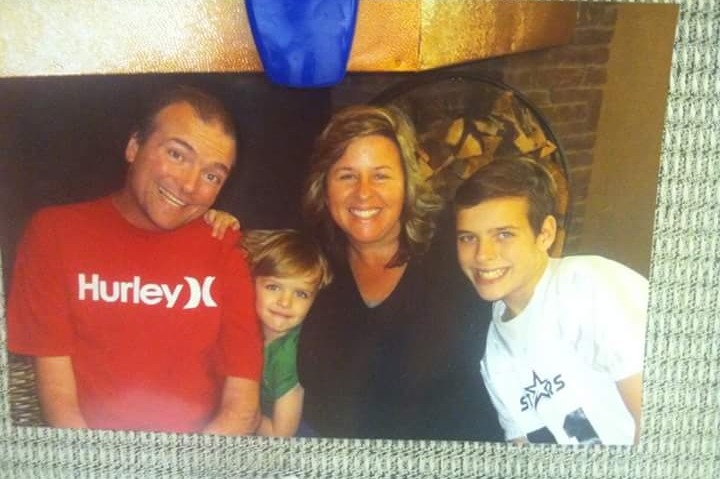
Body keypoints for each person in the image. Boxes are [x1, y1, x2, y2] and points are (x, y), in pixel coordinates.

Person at [7, 85, 262, 435]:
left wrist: (189, 464)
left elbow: (241, 408)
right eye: (177, 155)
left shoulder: (223, 245)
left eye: (211, 176)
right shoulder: (55, 232)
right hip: (89, 454)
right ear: (133, 147)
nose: (190, 186)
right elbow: (59, 403)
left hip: (199, 454)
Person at [298, 105, 504, 440]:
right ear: (324, 185)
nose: (364, 192)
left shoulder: (457, 245)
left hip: (456, 456)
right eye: (346, 175)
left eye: (381, 175)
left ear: (408, 181)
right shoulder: (311, 258)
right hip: (339, 456)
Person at [454, 156, 647, 445]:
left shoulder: (588, 287)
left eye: (504, 234)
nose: (482, 254)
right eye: (468, 238)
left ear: (545, 234)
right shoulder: (494, 352)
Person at [241, 229, 332, 437]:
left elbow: (280, 435)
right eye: (273, 287)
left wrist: (243, 413)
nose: (285, 302)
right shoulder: (247, 324)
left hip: (296, 437)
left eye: (301, 293)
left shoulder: (289, 358)